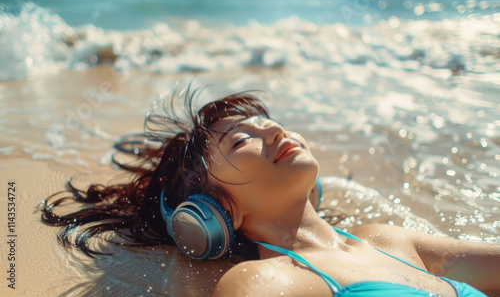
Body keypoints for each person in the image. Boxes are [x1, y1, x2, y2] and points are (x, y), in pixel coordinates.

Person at [42, 87, 500, 296]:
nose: (272, 129)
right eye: (241, 140)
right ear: (212, 211)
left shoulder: (389, 240)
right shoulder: (267, 281)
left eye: (267, 121)